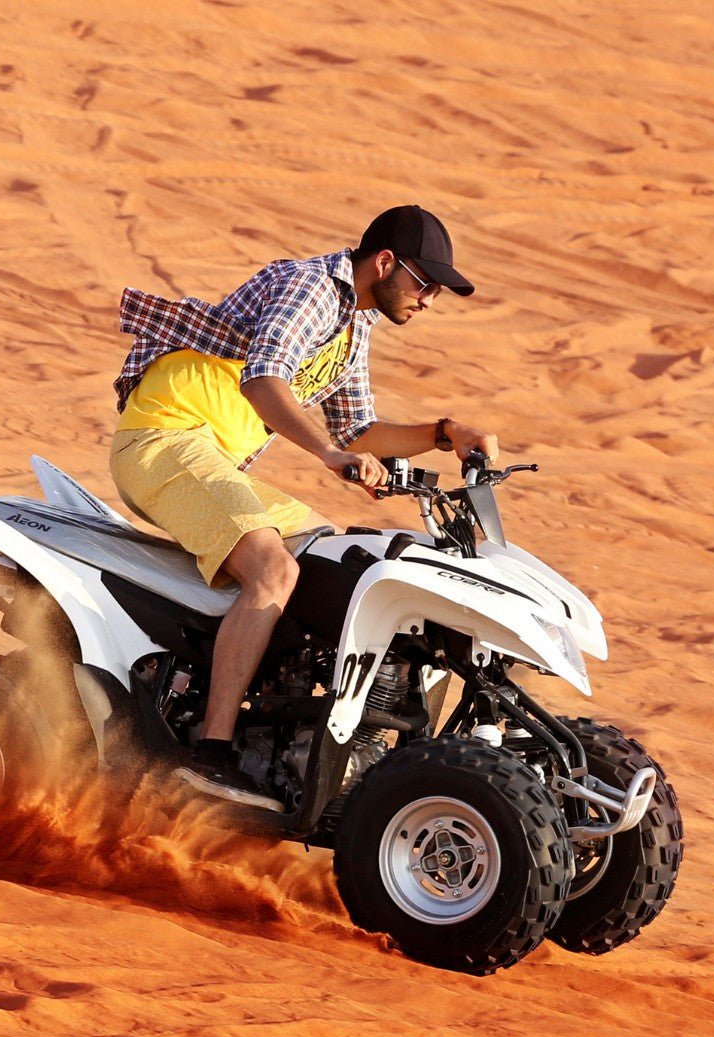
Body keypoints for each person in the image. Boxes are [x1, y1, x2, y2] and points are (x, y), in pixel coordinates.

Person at [110, 204, 498, 810]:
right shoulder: (313, 290)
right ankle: (210, 757)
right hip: (165, 439)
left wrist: (446, 433)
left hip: (204, 459)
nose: (429, 300)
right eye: (424, 284)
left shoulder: (354, 326)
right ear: (385, 263)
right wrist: (324, 454)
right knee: (274, 569)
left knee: (334, 559)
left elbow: (359, 431)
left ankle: (284, 727)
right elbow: (263, 380)